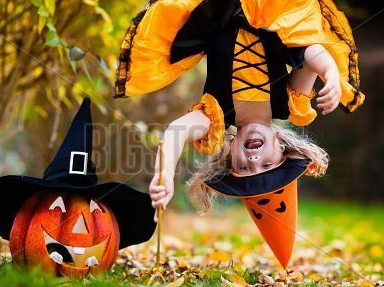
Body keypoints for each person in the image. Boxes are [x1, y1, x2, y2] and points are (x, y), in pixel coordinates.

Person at [114, 0, 365, 267]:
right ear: (281, 146)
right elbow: (310, 49)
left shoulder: (215, 115)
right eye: (267, 164)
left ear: (229, 152)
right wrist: (331, 75)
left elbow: (176, 132)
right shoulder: (288, 101)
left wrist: (164, 176)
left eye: (243, 167)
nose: (254, 160)